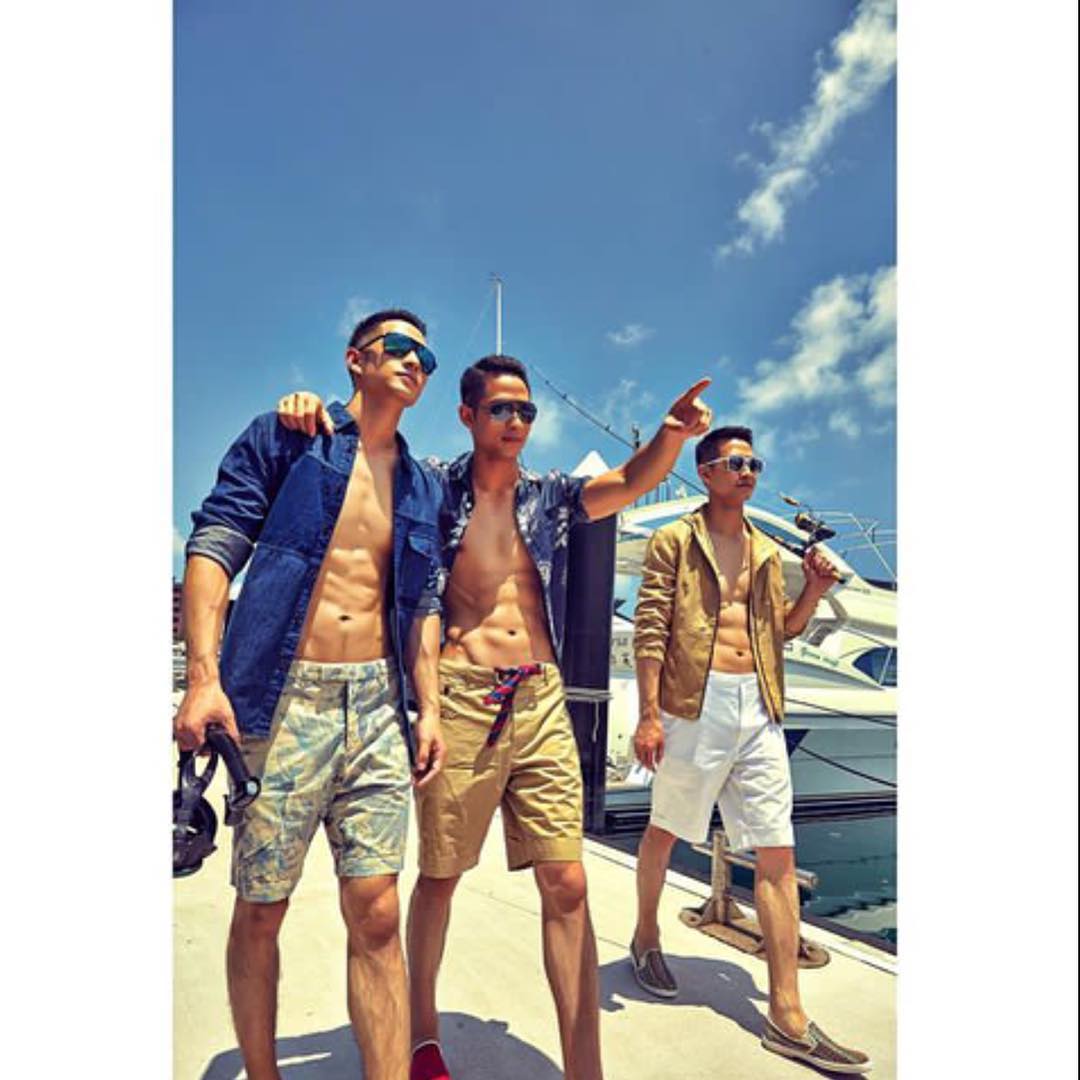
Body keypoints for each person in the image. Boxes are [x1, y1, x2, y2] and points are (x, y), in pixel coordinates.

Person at [276, 357, 712, 1080]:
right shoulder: (430, 489)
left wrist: (669, 435)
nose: (516, 421)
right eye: (502, 409)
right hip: (462, 694)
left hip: (540, 696)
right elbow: (365, 454)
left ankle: (585, 1068)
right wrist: (312, 410)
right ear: (468, 416)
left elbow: (631, 483)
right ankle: (422, 1035)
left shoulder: (550, 496)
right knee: (441, 877)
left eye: (525, 411)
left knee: (567, 882)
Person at [176, 310, 447, 1080]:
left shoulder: (422, 484)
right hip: (284, 696)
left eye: (426, 356)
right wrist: (204, 679)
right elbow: (216, 544)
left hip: (378, 707)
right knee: (263, 908)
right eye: (400, 347)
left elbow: (423, 602)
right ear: (356, 359)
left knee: (379, 912)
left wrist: (428, 705)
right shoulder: (289, 437)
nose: (416, 362)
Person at [630, 425, 872, 1075]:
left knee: (776, 848)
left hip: (759, 706)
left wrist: (814, 591)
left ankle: (786, 1013)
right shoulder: (674, 540)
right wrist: (648, 715)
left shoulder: (766, 551)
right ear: (707, 472)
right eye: (736, 463)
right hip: (693, 702)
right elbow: (651, 628)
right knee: (664, 829)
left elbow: (781, 631)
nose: (748, 472)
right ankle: (646, 934)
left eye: (755, 463)